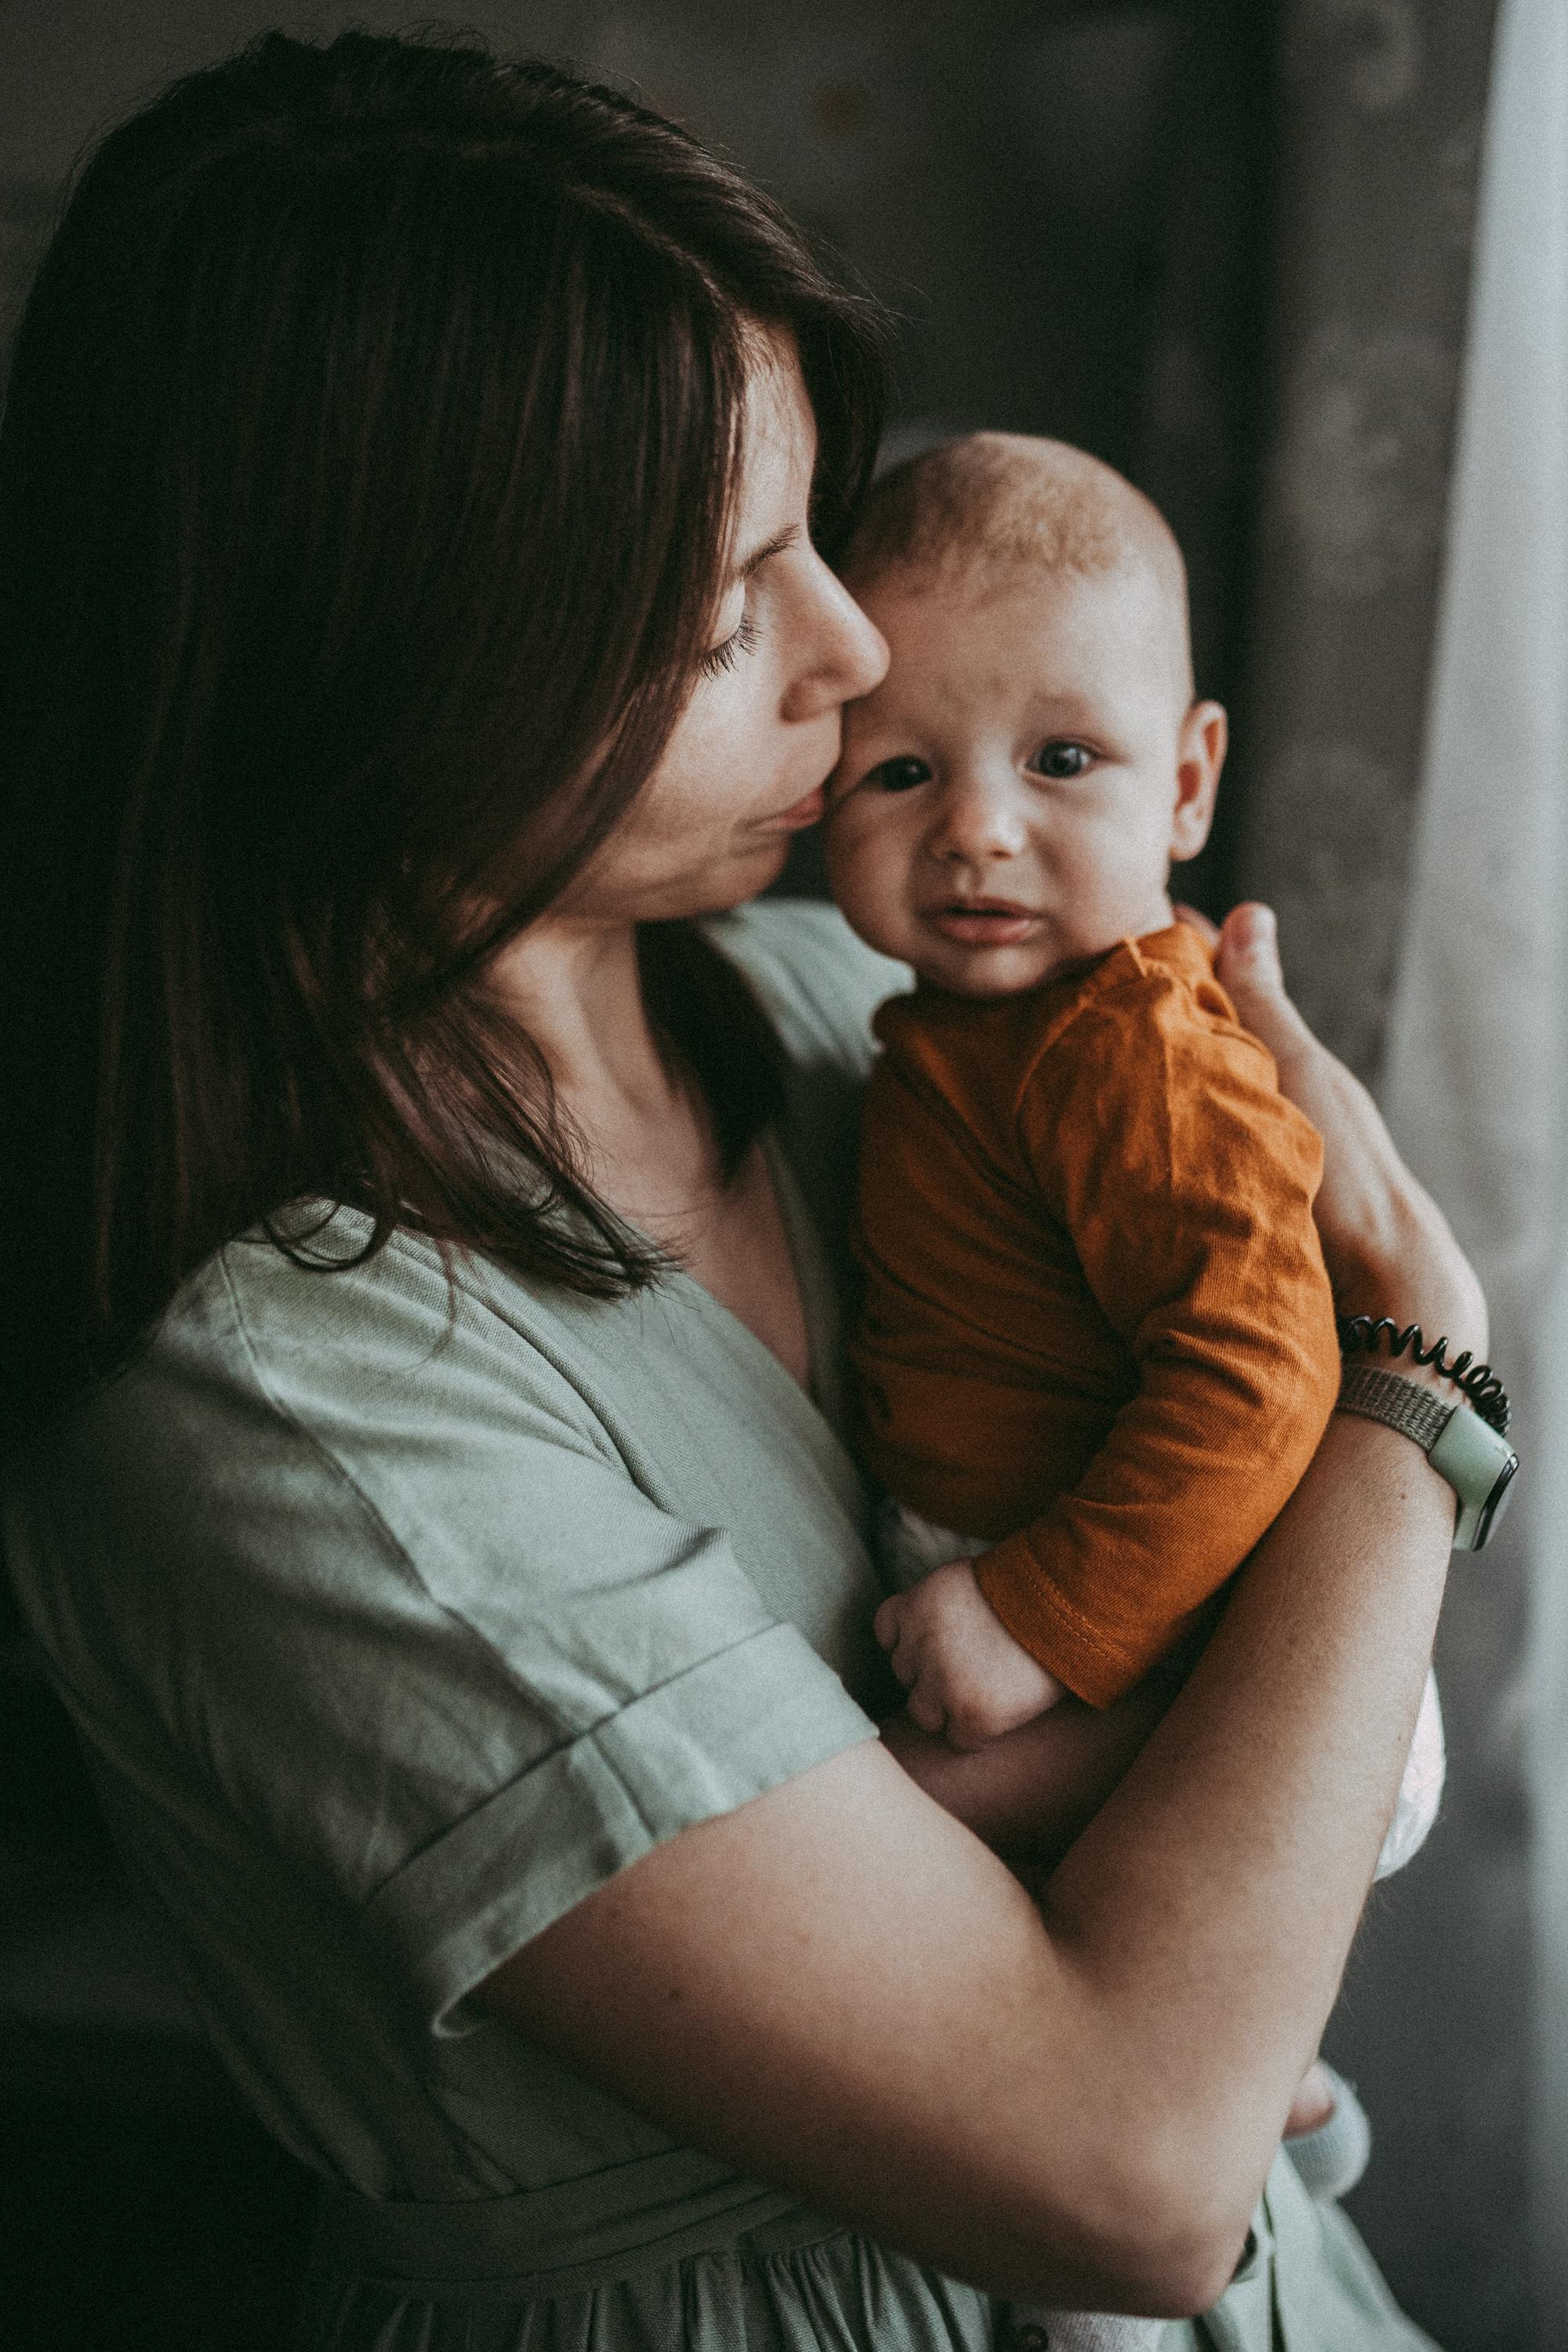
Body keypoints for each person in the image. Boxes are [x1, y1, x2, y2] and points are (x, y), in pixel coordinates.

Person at [0, 29, 1479, 2352]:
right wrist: (1420, 1392)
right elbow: (1127, 2170)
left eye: (821, 532)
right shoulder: (283, 1417)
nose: (860, 651)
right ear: (392, 668)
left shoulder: (835, 1004)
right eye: (729, 603)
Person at [820, 430, 1447, 2352]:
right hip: (1128, 1626)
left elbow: (1262, 1375)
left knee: (1051, 2167)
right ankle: (1285, 2106)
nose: (981, 830)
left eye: (1062, 763)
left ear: (1185, 783)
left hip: (1213, 1651)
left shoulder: (1131, 1054)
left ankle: (1229, 2141)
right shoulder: (968, 1030)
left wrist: (1033, 1614)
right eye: (903, 771)